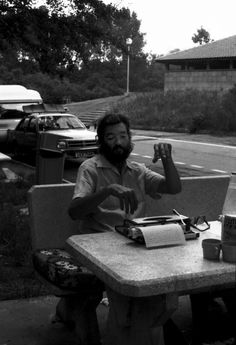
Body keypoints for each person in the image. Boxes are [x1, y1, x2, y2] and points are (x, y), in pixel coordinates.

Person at [68, 112, 188, 344]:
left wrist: (167, 159)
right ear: (101, 140)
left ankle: (150, 325)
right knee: (129, 300)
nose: (118, 142)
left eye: (123, 136)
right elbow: (74, 211)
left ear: (130, 138)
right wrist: (107, 191)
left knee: (161, 289)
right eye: (111, 137)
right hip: (101, 245)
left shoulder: (138, 170)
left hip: (136, 243)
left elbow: (173, 188)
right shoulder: (90, 168)